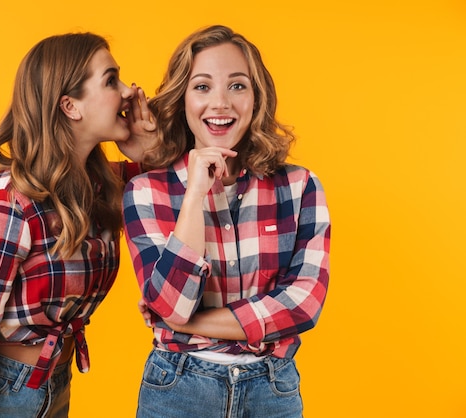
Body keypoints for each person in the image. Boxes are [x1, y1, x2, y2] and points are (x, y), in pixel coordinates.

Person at [0, 32, 155, 418]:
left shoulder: (96, 187)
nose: (129, 91)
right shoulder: (9, 206)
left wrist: (148, 151)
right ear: (70, 106)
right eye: (111, 80)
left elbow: (167, 196)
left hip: (48, 385)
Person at [123, 25, 331, 418]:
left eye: (237, 86)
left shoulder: (299, 186)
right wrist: (195, 194)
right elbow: (171, 303)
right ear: (181, 98)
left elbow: (303, 305)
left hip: (273, 388)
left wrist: (184, 323)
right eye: (202, 87)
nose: (220, 103)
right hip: (177, 387)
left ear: (257, 97)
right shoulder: (145, 191)